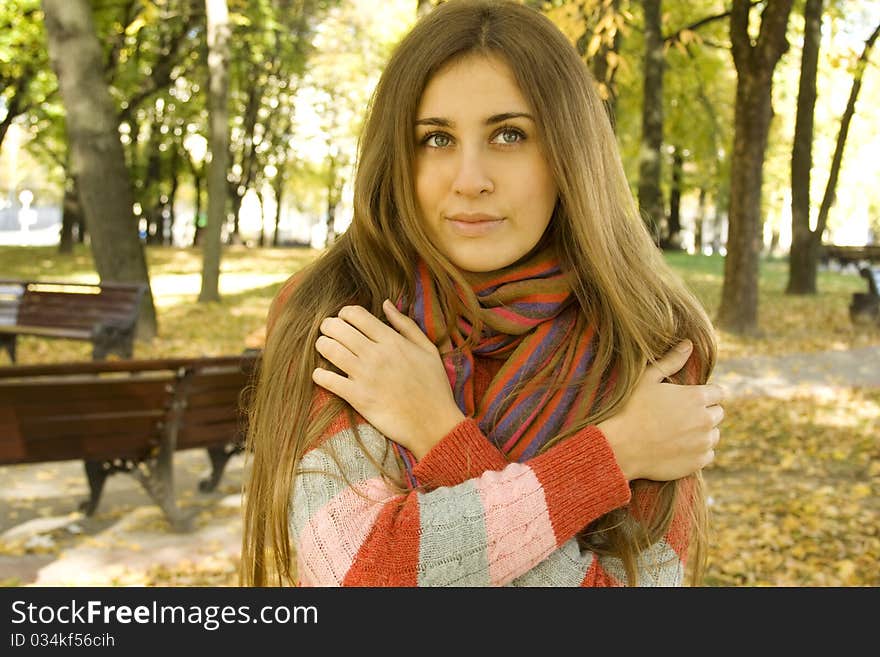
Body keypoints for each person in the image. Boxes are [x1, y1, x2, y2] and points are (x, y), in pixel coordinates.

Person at [240, 0, 723, 587]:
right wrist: (612, 456)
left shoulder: (648, 344)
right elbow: (362, 570)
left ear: (570, 153)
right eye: (436, 139)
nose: (471, 180)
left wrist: (436, 432)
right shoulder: (340, 314)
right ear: (399, 156)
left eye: (509, 134)